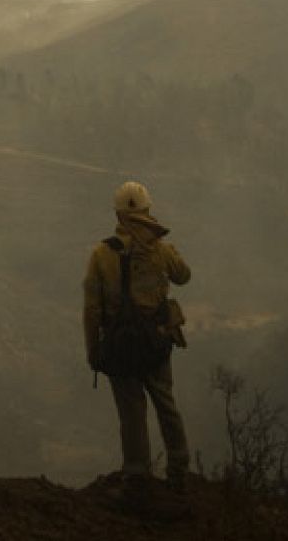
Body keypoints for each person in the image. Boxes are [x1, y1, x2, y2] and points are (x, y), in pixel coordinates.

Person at [83, 180, 191, 508]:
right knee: (166, 404)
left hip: (120, 347)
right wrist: (165, 248)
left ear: (117, 214)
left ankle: (136, 479)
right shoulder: (160, 249)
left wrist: (93, 351)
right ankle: (179, 473)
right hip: (156, 342)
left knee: (131, 413)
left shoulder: (102, 254)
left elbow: (92, 310)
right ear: (147, 210)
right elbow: (184, 276)